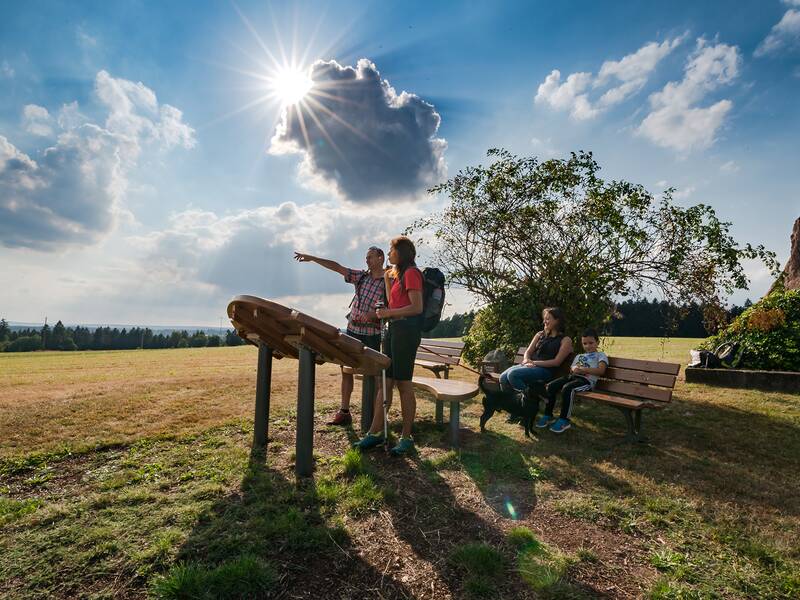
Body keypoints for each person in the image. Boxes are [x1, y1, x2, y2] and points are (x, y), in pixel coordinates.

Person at [293, 247, 386, 426]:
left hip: (372, 334)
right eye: (366, 257)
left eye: (370, 257)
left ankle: (375, 418)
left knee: (374, 375)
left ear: (380, 258)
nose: (366, 260)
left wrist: (375, 314)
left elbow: (391, 308)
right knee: (346, 371)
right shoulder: (361, 277)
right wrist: (312, 257)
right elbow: (337, 267)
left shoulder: (388, 281)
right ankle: (344, 412)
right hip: (352, 330)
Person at [353, 236, 423, 456]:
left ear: (400, 253)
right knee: (386, 382)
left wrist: (389, 313)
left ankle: (406, 437)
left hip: (407, 332)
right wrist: (387, 280)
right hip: (393, 330)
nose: (389, 253)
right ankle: (375, 433)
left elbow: (416, 307)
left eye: (392, 250)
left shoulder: (412, 273)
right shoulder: (395, 275)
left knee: (403, 384)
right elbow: (393, 305)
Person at [537, 328, 608, 433]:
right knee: (551, 386)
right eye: (585, 343)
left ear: (597, 342)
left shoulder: (601, 355)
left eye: (591, 343)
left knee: (567, 389)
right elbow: (572, 369)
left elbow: (601, 371)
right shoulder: (580, 356)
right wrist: (574, 369)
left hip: (586, 381)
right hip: (573, 377)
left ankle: (564, 420)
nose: (588, 346)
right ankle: (548, 415)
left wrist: (583, 370)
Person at [498, 307, 573, 407]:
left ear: (557, 320)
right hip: (529, 366)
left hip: (546, 371)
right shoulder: (540, 334)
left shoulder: (565, 340)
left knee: (513, 375)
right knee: (503, 377)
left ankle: (529, 403)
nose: (544, 321)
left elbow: (556, 362)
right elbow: (528, 351)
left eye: (548, 318)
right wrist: (526, 360)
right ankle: (513, 406)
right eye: (544, 318)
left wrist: (533, 363)